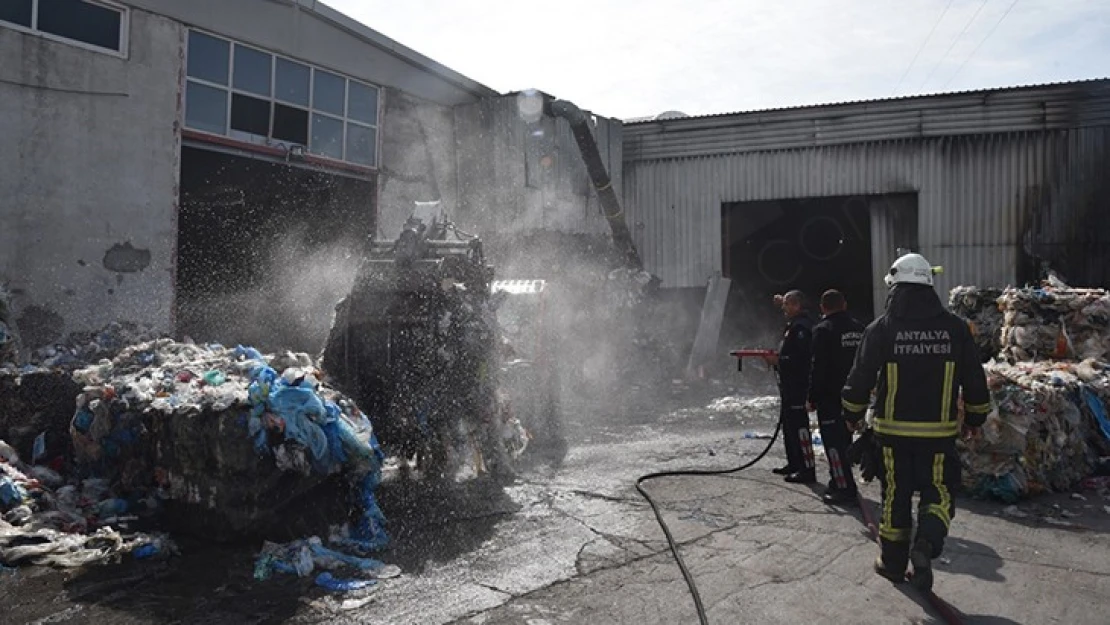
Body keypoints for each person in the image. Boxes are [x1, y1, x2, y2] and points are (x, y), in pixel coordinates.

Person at [840, 252, 991, 591]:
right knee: (938, 491)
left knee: (895, 493)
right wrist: (976, 417)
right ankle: (926, 544)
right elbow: (974, 378)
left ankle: (892, 564)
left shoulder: (882, 328)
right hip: (938, 434)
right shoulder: (955, 329)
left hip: (893, 433)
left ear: (895, 285)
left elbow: (860, 376)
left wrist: (851, 414)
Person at [807, 289, 865, 505]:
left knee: (833, 445)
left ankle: (844, 489)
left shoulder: (823, 330)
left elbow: (818, 367)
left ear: (823, 308)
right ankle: (838, 480)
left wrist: (812, 396)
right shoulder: (859, 328)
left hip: (830, 397)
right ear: (845, 305)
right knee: (845, 441)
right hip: (854, 396)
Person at [764, 290, 817, 483]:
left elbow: (802, 358)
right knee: (789, 426)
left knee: (799, 427)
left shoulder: (802, 327)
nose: (783, 308)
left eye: (787, 305)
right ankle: (794, 463)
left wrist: (779, 360)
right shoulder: (794, 324)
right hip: (789, 385)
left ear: (796, 306)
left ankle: (806, 468)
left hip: (798, 385)